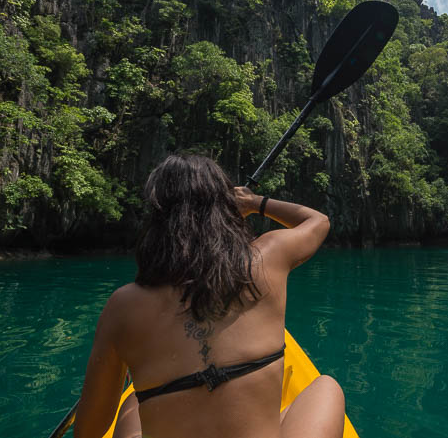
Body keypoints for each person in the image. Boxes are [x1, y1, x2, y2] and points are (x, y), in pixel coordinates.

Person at [74, 154, 345, 438]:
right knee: (326, 387)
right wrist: (253, 203)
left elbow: (89, 432)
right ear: (225, 208)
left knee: (130, 403)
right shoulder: (268, 258)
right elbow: (318, 221)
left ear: (156, 219)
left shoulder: (123, 307)